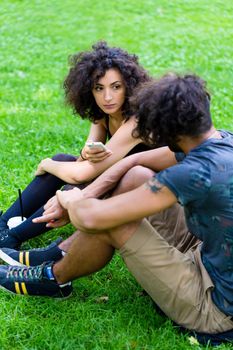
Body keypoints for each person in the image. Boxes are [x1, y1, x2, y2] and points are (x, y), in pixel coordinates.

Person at [1, 73, 232, 345]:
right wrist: (87, 192)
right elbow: (136, 162)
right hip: (205, 252)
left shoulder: (195, 173)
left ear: (169, 133)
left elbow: (91, 217)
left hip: (216, 308)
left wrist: (70, 200)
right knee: (136, 177)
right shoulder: (221, 141)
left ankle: (54, 278)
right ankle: (61, 254)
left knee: (114, 220)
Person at [0, 40, 154, 251]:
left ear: (129, 86)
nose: (107, 97)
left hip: (149, 193)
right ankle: (2, 226)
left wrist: (46, 163)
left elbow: (80, 175)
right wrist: (85, 152)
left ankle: (12, 238)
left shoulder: (137, 120)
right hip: (117, 178)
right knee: (63, 160)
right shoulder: (104, 114)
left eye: (116, 87)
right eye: (98, 88)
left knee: (77, 185)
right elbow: (83, 163)